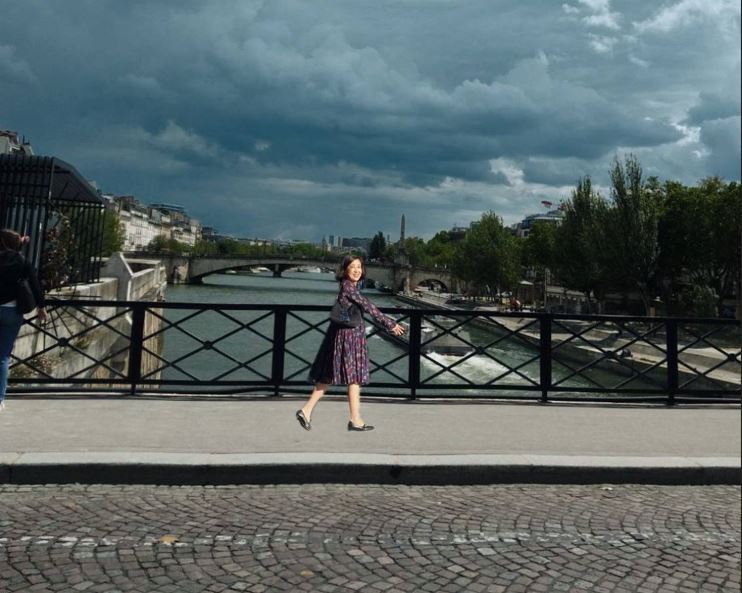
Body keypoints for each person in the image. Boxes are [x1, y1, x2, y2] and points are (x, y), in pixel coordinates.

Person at [296, 255, 405, 432]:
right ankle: (353, 420)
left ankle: (308, 411)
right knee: (353, 377)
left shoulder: (349, 287)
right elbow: (367, 306)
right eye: (352, 267)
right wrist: (389, 323)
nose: (357, 270)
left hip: (346, 335)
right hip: (349, 337)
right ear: (345, 269)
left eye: (359, 267)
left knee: (331, 376)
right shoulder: (348, 287)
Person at [0, 229, 46, 411]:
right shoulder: (22, 261)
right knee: (3, 356)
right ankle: (0, 399)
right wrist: (41, 306)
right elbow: (35, 284)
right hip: (12, 311)